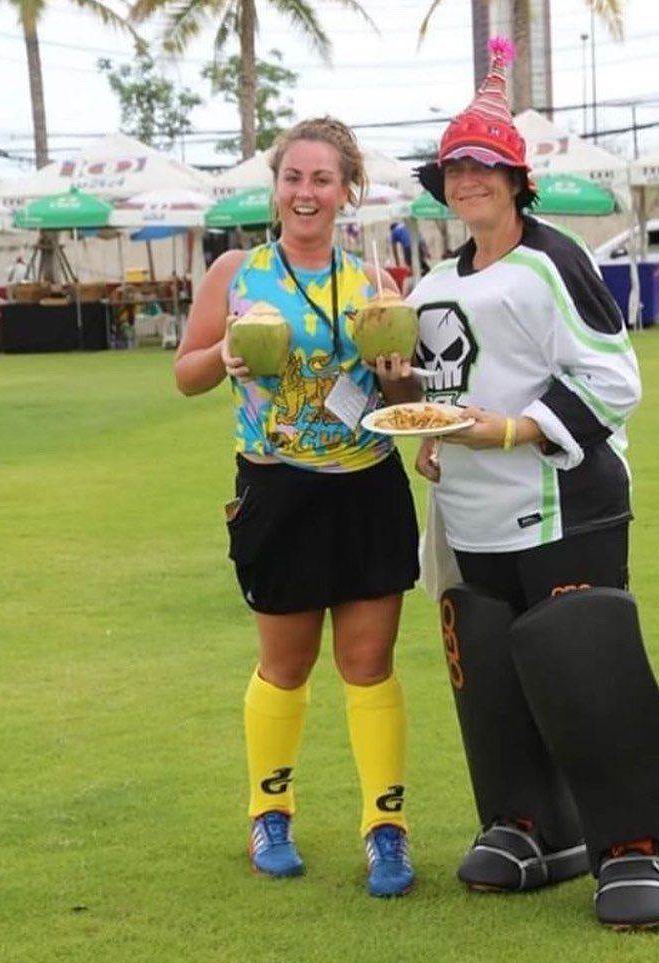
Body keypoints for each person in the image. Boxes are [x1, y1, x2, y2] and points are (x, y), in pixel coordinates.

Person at [408, 37, 659, 929]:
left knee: (587, 663)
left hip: (562, 504)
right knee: (492, 672)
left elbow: (614, 380)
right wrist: (431, 435)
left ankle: (647, 845)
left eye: (483, 168)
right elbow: (441, 387)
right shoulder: (432, 281)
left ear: (514, 180)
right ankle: (533, 824)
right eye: (455, 169)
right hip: (470, 513)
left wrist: (510, 429)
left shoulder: (552, 261)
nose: (467, 181)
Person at [175, 117, 421, 898]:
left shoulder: (373, 283)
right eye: (294, 178)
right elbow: (186, 374)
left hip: (367, 485)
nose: (306, 193)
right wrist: (228, 351)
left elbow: (403, 399)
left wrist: (395, 374)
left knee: (367, 664)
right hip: (276, 488)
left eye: (322, 180)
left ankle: (386, 829)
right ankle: (268, 811)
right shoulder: (234, 275)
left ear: (347, 191)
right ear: (275, 187)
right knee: (286, 665)